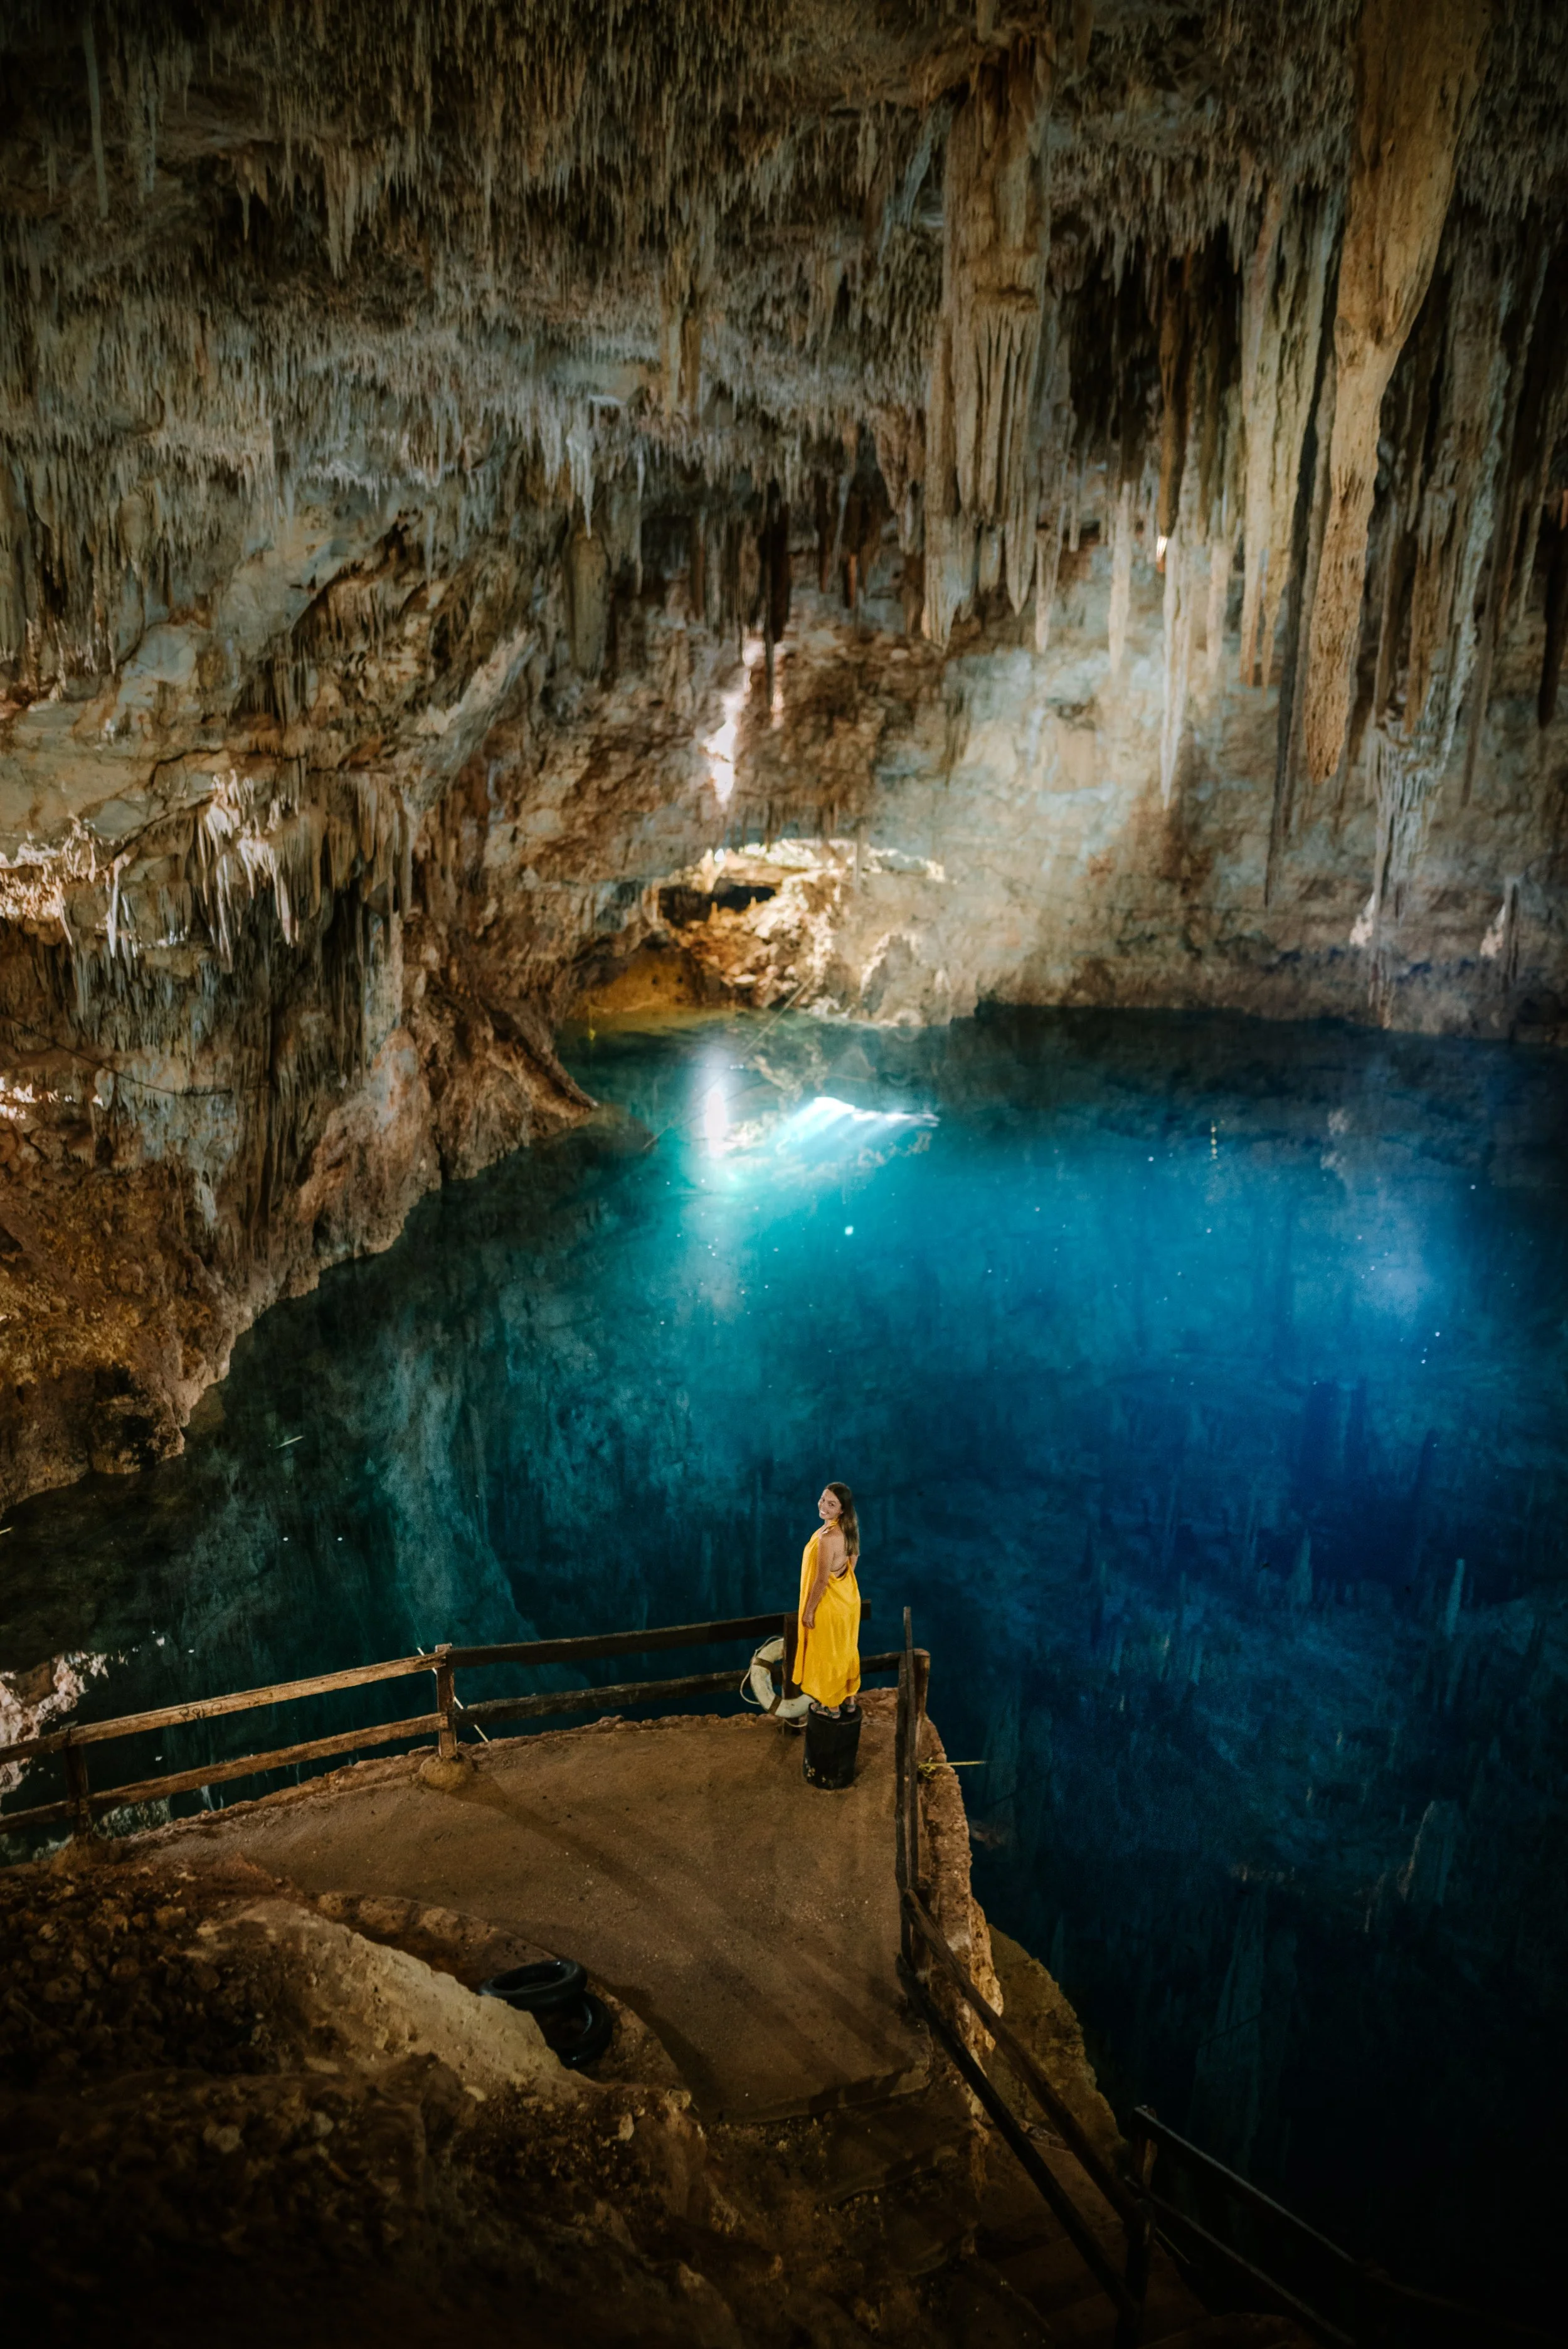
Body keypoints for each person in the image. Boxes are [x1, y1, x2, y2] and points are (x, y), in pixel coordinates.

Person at [795, 1482, 862, 1717]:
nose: (823, 1506)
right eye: (823, 1499)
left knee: (827, 1655)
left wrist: (809, 1610)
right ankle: (849, 1699)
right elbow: (853, 1559)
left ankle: (831, 1707)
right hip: (848, 1602)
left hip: (829, 1607)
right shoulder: (849, 1529)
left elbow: (822, 1580)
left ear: (841, 1509)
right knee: (845, 1650)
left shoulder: (827, 1538)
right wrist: (840, 1581)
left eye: (831, 1504)